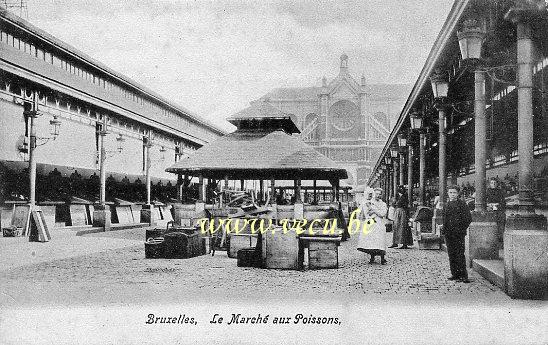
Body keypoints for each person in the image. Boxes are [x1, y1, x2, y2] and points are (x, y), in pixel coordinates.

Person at [442, 185, 472, 283]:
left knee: (459, 253)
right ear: (448, 193)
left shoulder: (462, 204)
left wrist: (461, 229)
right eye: (450, 192)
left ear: (458, 193)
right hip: (449, 233)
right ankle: (454, 274)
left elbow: (468, 218)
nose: (452, 194)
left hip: (458, 234)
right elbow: (444, 219)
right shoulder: (446, 205)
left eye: (454, 193)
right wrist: (445, 230)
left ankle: (463, 275)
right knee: (451, 254)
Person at [357, 187, 388, 264]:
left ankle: (382, 258)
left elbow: (382, 214)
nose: (378, 195)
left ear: (382, 195)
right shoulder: (369, 203)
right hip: (371, 224)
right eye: (376, 194)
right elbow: (366, 213)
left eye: (379, 194)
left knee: (380, 240)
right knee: (372, 240)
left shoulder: (383, 204)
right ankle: (372, 257)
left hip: (379, 224)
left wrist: (374, 211)